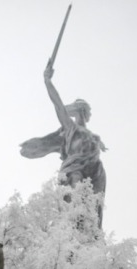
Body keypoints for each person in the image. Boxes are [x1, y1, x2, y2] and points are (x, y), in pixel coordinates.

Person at [20, 64, 107, 228]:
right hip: (75, 170)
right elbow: (58, 105)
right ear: (80, 111)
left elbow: (92, 143)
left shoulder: (92, 135)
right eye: (84, 110)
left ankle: (92, 235)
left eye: (86, 111)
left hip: (96, 172)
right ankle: (72, 233)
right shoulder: (70, 128)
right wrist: (48, 81)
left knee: (95, 212)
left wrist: (99, 143)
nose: (87, 114)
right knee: (75, 204)